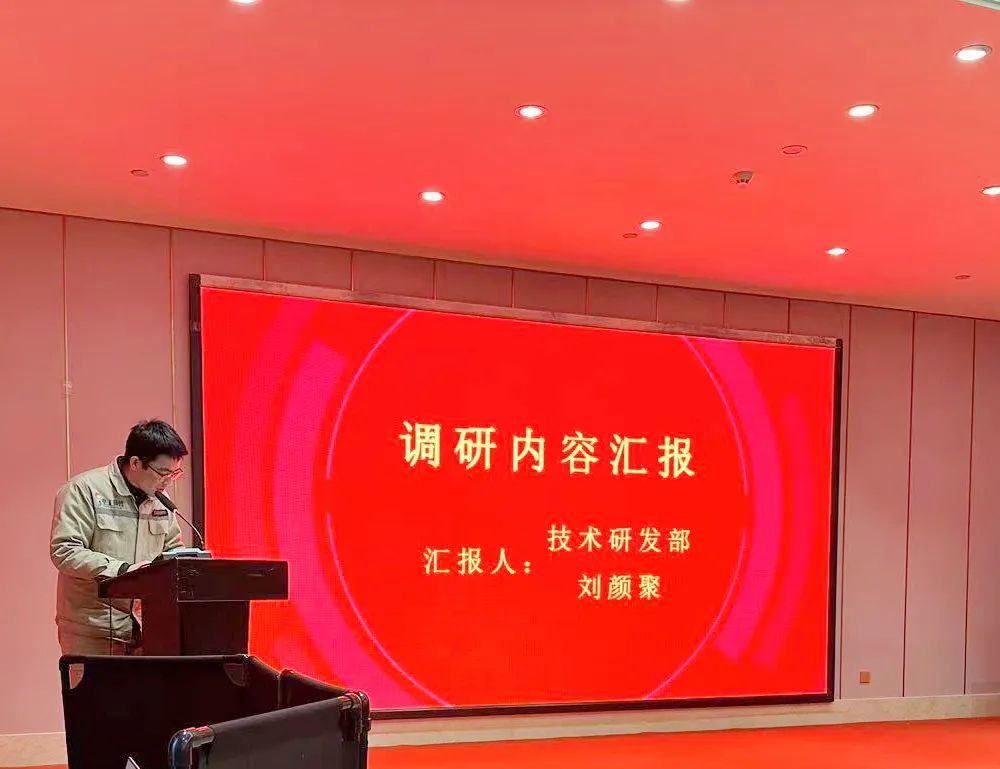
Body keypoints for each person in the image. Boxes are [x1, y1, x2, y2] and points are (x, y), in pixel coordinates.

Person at [50, 420, 188, 655]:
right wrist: (123, 571)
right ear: (135, 463)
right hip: (93, 630)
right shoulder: (85, 490)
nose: (167, 481)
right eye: (163, 473)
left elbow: (172, 549)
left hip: (146, 629)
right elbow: (65, 550)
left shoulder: (160, 500)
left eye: (175, 474)